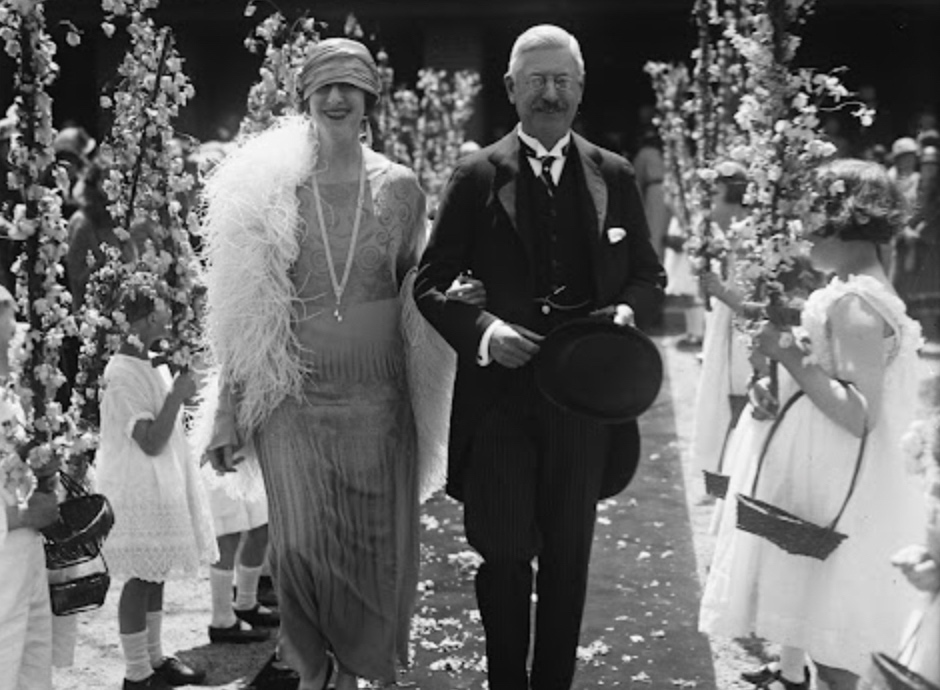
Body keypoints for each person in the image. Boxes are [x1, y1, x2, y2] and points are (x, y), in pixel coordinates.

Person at [414, 24, 666, 690]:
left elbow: (648, 275)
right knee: (501, 552)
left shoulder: (611, 171)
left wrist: (626, 312)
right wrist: (487, 330)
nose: (549, 94)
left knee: (568, 559)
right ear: (511, 89)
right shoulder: (475, 174)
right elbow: (430, 282)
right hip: (499, 402)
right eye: (537, 81)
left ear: (580, 89)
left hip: (581, 403)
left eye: (561, 81)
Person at [200, 38, 437, 690]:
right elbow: (245, 313)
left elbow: (420, 294)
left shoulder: (402, 188)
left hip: (378, 406)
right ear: (305, 96)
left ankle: (361, 676)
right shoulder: (274, 189)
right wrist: (227, 413)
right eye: (324, 85)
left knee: (375, 560)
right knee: (298, 552)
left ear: (369, 98)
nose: (336, 97)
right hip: (294, 405)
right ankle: (310, 672)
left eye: (349, 85)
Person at [700, 160, 926, 690]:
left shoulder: (856, 304)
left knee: (834, 639)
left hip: (843, 483)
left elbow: (858, 415)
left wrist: (791, 358)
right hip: (831, 475)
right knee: (822, 627)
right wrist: (782, 376)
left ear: (844, 223)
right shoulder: (852, 287)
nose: (801, 237)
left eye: (810, 221)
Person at [95, 272, 216, 690]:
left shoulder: (150, 361)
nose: (170, 316)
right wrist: (177, 396)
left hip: (163, 482)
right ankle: (135, 673)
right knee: (140, 577)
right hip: (137, 487)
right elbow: (148, 440)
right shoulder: (121, 371)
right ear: (145, 317)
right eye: (163, 308)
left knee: (157, 571)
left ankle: (155, 656)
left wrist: (180, 393)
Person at [0, 285, 60, 690]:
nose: (14, 339)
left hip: (26, 553)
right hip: (6, 546)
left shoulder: (13, 393)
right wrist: (20, 515)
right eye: (7, 334)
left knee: (33, 662)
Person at [692, 162, 752, 495]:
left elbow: (749, 295)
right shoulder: (723, 230)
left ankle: (730, 479)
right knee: (720, 397)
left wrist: (719, 290)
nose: (711, 203)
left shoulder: (746, 233)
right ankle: (720, 476)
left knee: (735, 398)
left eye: (716, 193)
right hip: (725, 323)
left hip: (739, 325)